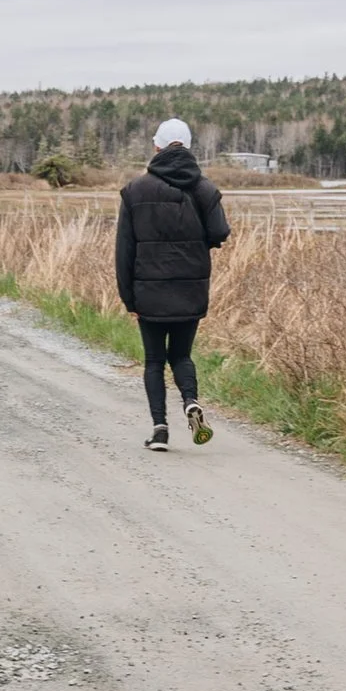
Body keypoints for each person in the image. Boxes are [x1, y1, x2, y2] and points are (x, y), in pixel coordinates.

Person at [113, 115, 230, 449]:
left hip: (148, 291)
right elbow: (220, 232)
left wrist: (128, 298)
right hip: (190, 289)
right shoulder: (205, 188)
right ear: (189, 146)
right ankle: (191, 402)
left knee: (153, 360)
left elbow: (124, 250)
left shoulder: (135, 190)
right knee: (181, 355)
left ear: (157, 146)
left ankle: (160, 429)